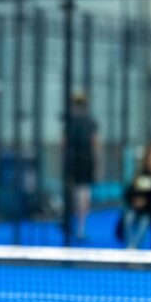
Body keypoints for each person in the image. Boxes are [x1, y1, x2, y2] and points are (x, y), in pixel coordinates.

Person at [66, 91, 101, 240]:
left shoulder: (79, 122)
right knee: (79, 194)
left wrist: (97, 164)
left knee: (81, 194)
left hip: (81, 161)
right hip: (79, 161)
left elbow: (95, 144)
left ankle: (79, 226)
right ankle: (78, 226)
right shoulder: (77, 122)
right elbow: (95, 144)